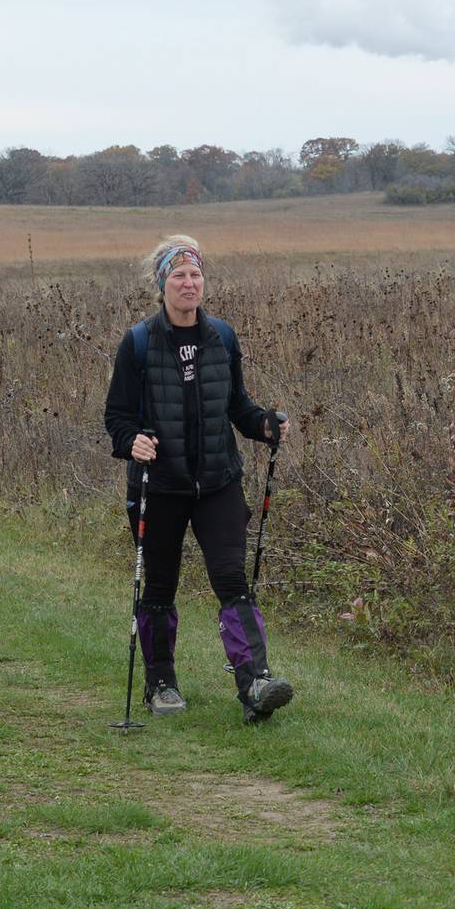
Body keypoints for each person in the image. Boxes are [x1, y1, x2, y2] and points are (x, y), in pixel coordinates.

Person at [103, 234, 295, 723]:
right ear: (162, 283)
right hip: (159, 486)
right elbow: (118, 417)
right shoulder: (139, 342)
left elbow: (237, 408)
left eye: (195, 275)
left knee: (232, 579)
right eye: (178, 275)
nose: (189, 283)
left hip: (218, 482)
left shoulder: (222, 338)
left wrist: (265, 425)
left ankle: (255, 683)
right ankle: (161, 683)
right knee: (160, 588)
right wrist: (132, 442)